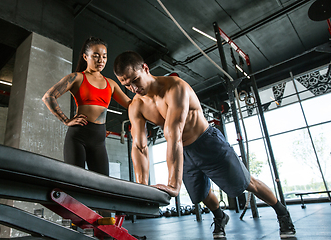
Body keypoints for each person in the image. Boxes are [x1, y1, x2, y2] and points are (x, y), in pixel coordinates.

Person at [113, 51, 296, 239]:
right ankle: (220, 217)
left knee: (247, 183)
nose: (133, 88)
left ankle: (282, 212)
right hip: (183, 152)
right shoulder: (136, 106)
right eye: (126, 85)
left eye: (135, 80)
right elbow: (140, 146)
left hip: (207, 142)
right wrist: (142, 187)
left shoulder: (175, 88)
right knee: (201, 194)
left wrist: (173, 184)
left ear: (145, 68)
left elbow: (173, 134)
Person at [42, 37, 131, 176]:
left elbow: (131, 105)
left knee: (102, 184)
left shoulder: (111, 84)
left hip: (99, 140)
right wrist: (66, 120)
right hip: (78, 137)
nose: (101, 60)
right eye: (96, 56)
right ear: (85, 56)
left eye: (104, 56)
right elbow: (48, 96)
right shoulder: (76, 78)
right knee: (75, 181)